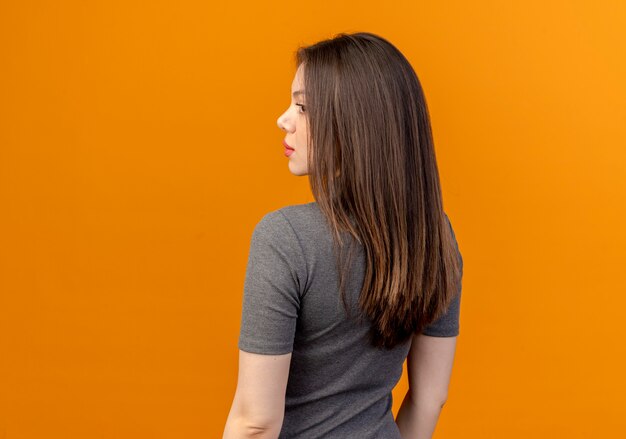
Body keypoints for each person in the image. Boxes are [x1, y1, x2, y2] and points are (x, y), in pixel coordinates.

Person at [222, 32, 464, 439]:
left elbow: (255, 423)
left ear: (353, 124)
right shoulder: (434, 235)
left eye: (302, 107)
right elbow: (429, 399)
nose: (284, 119)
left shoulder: (285, 239)